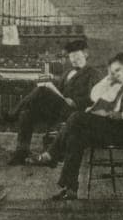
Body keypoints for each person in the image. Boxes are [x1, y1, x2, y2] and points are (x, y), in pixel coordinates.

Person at [49, 52, 123, 201]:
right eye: (113, 72)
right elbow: (94, 95)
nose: (116, 75)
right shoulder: (122, 84)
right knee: (76, 136)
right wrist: (109, 78)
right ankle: (70, 189)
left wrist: (120, 115)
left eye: (118, 70)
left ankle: (52, 154)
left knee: (77, 117)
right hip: (116, 128)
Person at [6, 38, 102, 166]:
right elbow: (59, 92)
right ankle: (21, 152)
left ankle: (11, 115)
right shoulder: (67, 72)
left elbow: (95, 98)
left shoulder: (94, 73)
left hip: (75, 112)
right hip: (60, 108)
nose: (73, 59)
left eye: (77, 55)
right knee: (26, 113)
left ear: (86, 54)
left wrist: (74, 101)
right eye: (71, 56)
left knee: (43, 89)